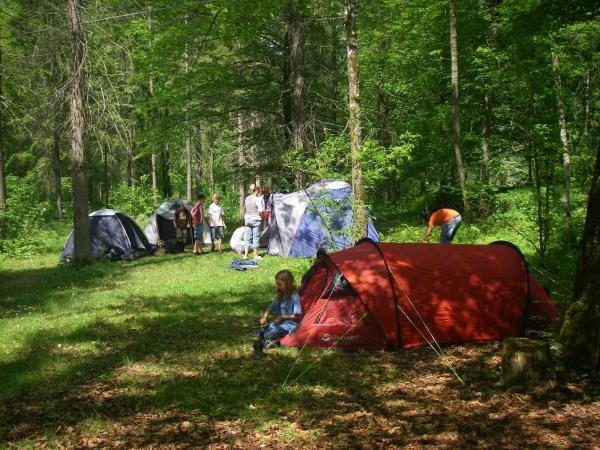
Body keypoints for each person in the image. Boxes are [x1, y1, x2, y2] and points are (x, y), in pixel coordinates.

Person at [253, 270, 302, 358]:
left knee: (274, 331)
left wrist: (283, 318)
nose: (278, 287)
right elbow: (271, 307)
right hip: (280, 324)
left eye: (280, 284)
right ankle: (270, 342)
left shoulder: (294, 296)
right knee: (265, 329)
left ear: (288, 283)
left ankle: (262, 344)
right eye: (277, 284)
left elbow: (297, 315)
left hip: (291, 326)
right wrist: (264, 316)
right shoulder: (281, 295)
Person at [243, 184, 265, 260]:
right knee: (256, 237)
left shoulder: (247, 198)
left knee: (248, 237)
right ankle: (255, 255)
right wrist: (263, 215)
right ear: (257, 190)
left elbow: (245, 209)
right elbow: (260, 210)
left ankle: (245, 255)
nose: (260, 193)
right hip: (255, 220)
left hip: (247, 219)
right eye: (259, 191)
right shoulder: (258, 199)